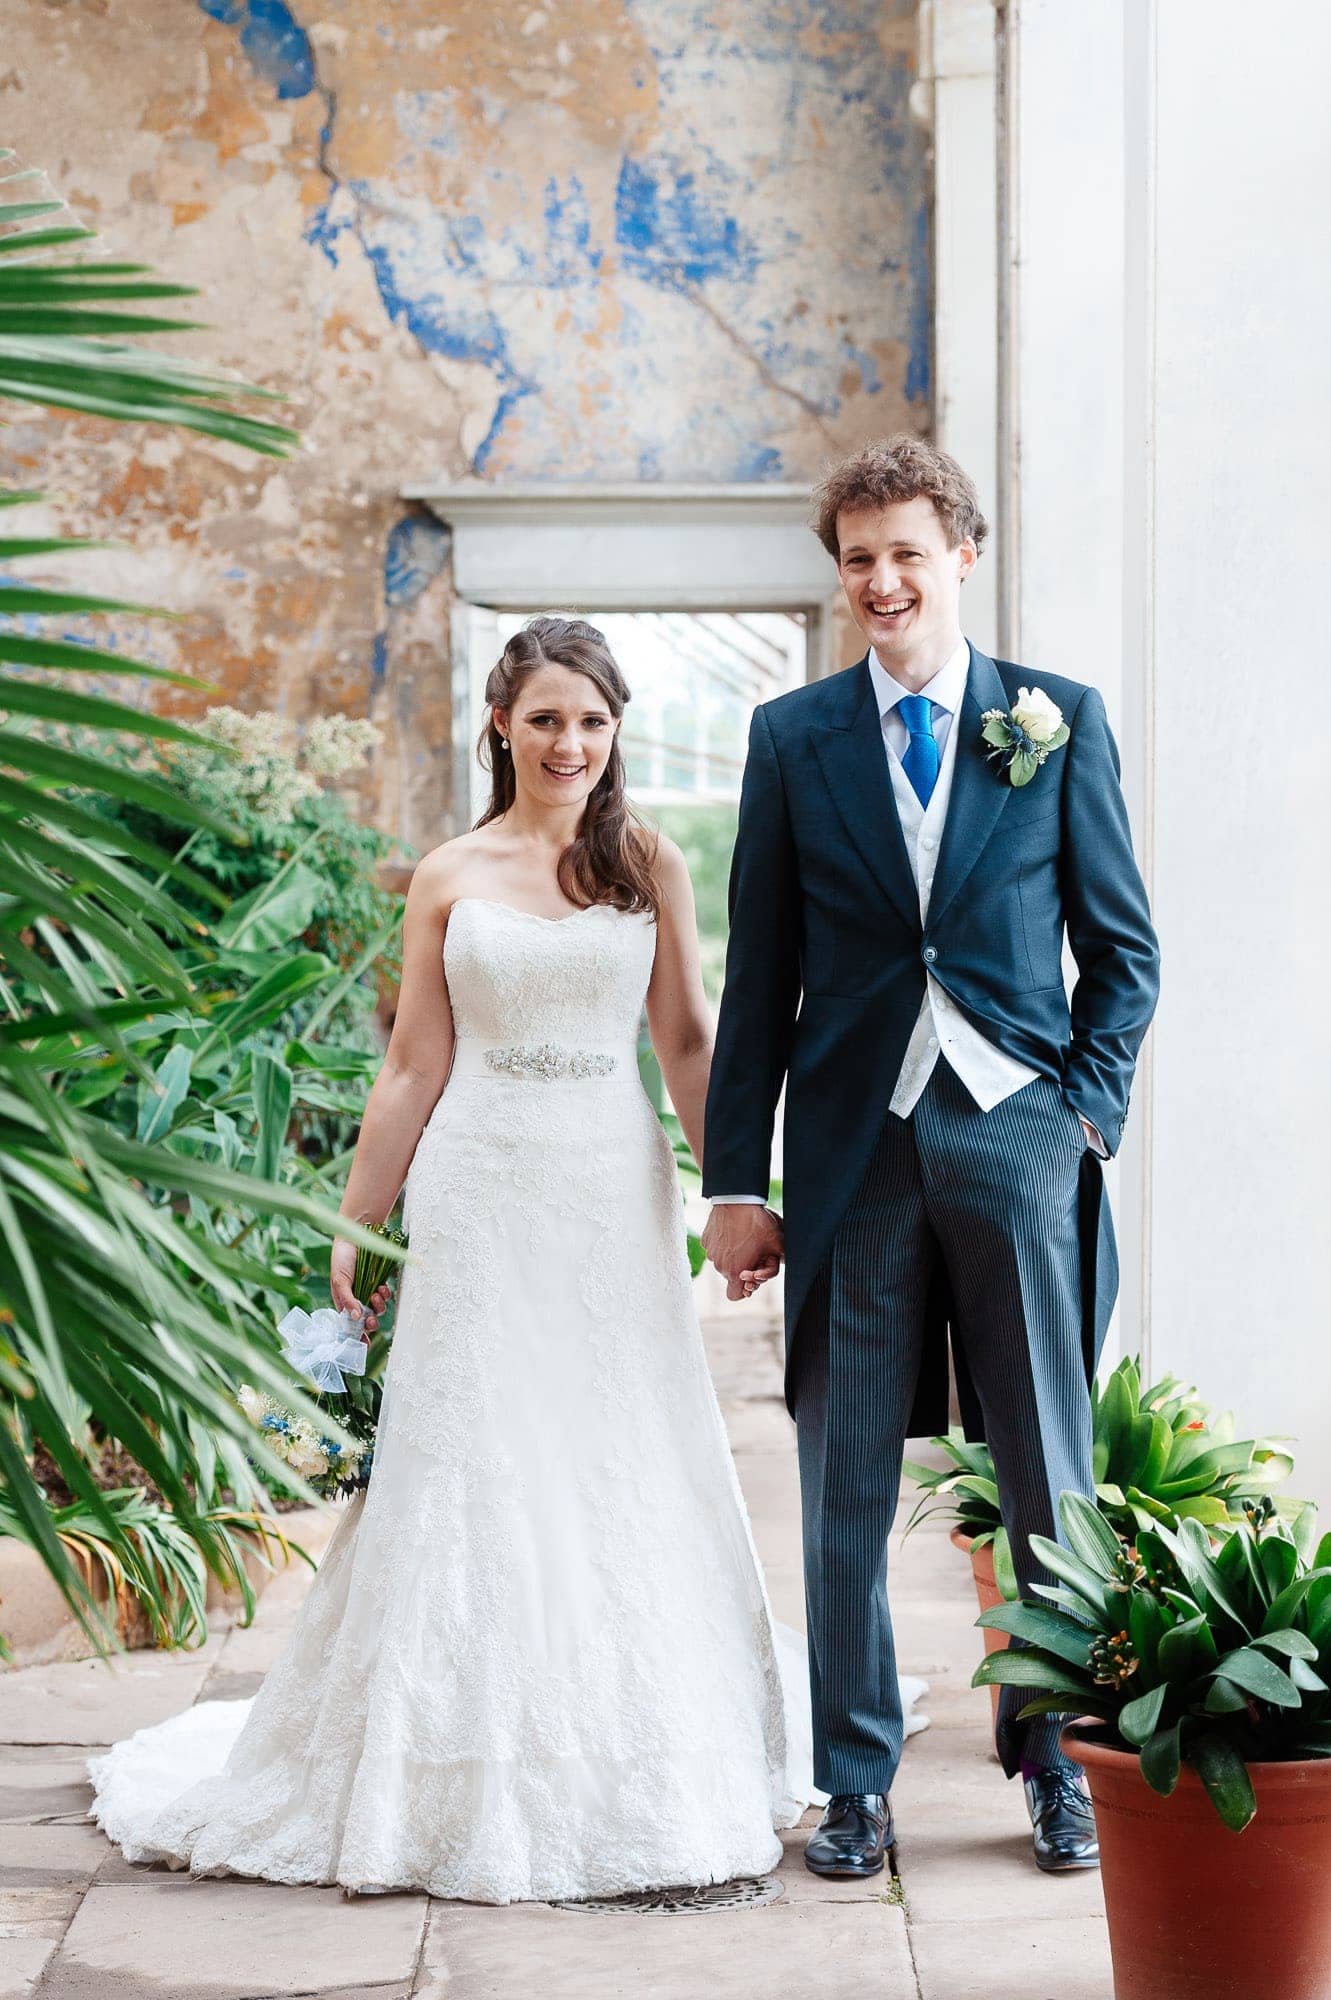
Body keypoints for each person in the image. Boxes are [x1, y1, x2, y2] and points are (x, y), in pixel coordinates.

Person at [86, 615, 899, 1903]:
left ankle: (636, 1743)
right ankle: (437, 1759)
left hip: (607, 1185)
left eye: (591, 721)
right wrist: (362, 1219)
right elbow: (415, 1062)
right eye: (544, 720)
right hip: (478, 1185)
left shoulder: (651, 866)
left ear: (615, 731)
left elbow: (689, 1042)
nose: (569, 743)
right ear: (501, 728)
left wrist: (737, 1196)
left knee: (615, 1444)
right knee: (470, 1451)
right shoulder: (448, 874)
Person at [701, 436, 1160, 1879]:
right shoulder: (792, 740)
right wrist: (735, 1182)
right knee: (840, 1483)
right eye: (858, 561)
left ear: (962, 552)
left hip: (1020, 1141)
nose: (883, 581)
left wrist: (1079, 1112)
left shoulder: (1057, 719)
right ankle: (853, 1781)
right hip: (850, 1154)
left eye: (907, 552)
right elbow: (759, 971)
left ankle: (1058, 1766)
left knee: (1048, 1475)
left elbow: (1124, 953)